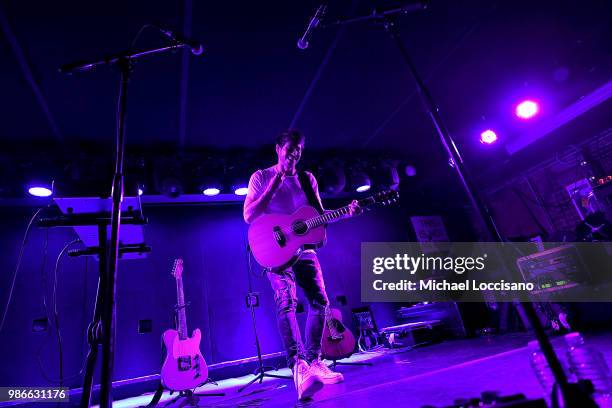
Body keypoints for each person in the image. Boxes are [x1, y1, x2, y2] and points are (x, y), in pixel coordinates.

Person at [243, 129, 360, 400]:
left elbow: (319, 217)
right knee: (287, 303)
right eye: (289, 150)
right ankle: (298, 366)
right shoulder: (260, 177)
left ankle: (315, 360)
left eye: (298, 151)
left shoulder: (307, 180)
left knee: (321, 303)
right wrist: (276, 181)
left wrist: (346, 212)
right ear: (278, 149)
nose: (293, 154)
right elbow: (249, 215)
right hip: (275, 252)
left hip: (305, 250)